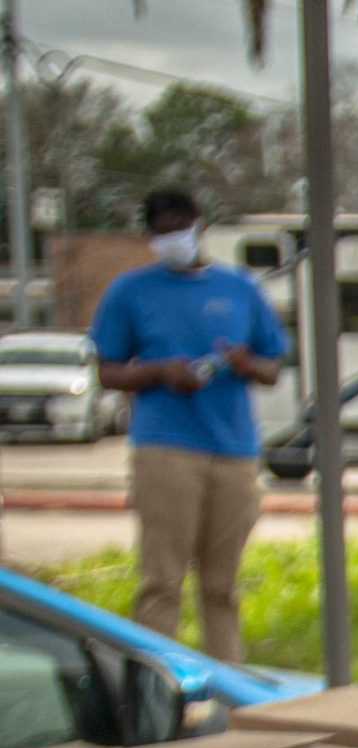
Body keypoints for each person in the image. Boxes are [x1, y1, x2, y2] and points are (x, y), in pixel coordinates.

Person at [93, 186, 286, 663]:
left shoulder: (239, 288)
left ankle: (228, 685)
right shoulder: (130, 291)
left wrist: (244, 364)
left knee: (222, 585)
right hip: (165, 448)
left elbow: (273, 365)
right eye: (160, 233)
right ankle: (155, 689)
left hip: (234, 450)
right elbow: (106, 369)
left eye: (178, 229)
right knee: (162, 582)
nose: (170, 240)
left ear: (198, 226)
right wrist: (160, 373)